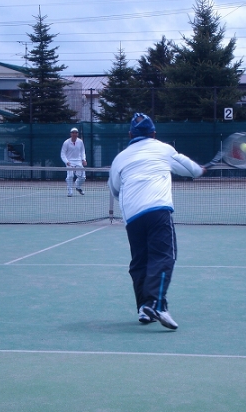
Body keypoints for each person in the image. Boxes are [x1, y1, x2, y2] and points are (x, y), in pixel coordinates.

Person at [108, 113, 205, 330]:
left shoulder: (120, 158)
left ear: (130, 134)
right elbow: (193, 170)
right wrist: (200, 170)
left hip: (131, 215)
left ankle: (144, 308)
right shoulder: (164, 149)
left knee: (140, 261)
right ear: (153, 134)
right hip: (157, 209)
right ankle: (156, 303)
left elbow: (114, 189)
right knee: (163, 256)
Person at [60, 128, 87, 197]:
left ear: (77, 134)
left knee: (82, 177)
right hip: (70, 162)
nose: (74, 134)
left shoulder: (80, 142)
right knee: (70, 176)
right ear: (70, 134)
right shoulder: (66, 142)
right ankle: (70, 191)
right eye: (73, 133)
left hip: (78, 162)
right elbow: (63, 154)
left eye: (76, 133)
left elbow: (82, 151)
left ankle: (78, 187)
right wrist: (66, 161)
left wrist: (83, 160)